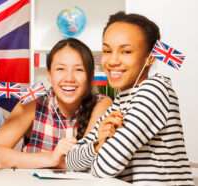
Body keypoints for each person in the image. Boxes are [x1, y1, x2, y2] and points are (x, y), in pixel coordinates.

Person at [66, 11, 194, 185]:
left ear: (149, 58)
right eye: (107, 50)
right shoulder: (118, 102)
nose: (112, 61)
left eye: (126, 51)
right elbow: (71, 161)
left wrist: (99, 153)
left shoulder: (155, 90)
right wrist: (98, 144)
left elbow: (105, 167)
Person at [0, 38, 112, 168]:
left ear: (90, 76)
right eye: (60, 69)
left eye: (79, 70)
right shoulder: (34, 102)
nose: (69, 78)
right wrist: (51, 158)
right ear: (49, 74)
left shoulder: (101, 103)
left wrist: (57, 161)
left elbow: (85, 159)